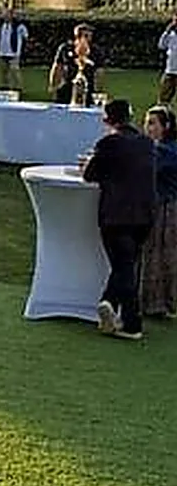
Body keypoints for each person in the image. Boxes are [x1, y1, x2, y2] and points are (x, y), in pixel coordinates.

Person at [83, 99, 158, 341]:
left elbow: (90, 175)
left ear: (108, 120)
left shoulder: (108, 143)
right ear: (131, 116)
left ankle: (127, 318)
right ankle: (114, 306)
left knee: (123, 265)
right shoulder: (147, 144)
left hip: (116, 214)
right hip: (145, 213)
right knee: (126, 263)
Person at [138, 105, 177, 319]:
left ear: (166, 126)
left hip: (166, 207)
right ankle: (157, 302)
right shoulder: (160, 148)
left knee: (160, 254)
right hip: (159, 204)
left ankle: (158, 303)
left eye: (153, 123)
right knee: (155, 254)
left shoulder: (166, 151)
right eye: (147, 123)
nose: (148, 127)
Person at [48, 24, 96, 105]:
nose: (87, 38)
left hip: (87, 90)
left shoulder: (95, 51)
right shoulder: (65, 48)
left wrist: (98, 93)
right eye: (84, 35)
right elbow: (57, 67)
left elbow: (99, 73)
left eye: (88, 35)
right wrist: (53, 86)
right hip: (66, 88)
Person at [0, 9, 29, 92]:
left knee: (14, 71)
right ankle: (5, 86)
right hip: (2, 51)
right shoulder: (1, 26)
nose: (6, 17)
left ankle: (18, 87)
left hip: (13, 53)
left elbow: (25, 36)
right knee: (4, 72)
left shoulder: (18, 26)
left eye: (8, 15)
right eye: (4, 15)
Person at [158, 15, 177, 107]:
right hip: (170, 70)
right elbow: (161, 45)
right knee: (164, 97)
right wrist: (166, 31)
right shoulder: (170, 35)